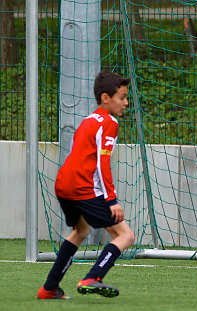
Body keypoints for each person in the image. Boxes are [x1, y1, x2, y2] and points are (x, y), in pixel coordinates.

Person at [37, 71, 135, 300]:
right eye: (122, 97)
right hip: (83, 188)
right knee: (126, 236)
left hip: (63, 185)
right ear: (105, 98)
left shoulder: (88, 121)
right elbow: (102, 163)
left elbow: (76, 153)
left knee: (80, 230)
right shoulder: (110, 123)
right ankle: (94, 277)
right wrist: (111, 200)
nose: (126, 102)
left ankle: (49, 287)